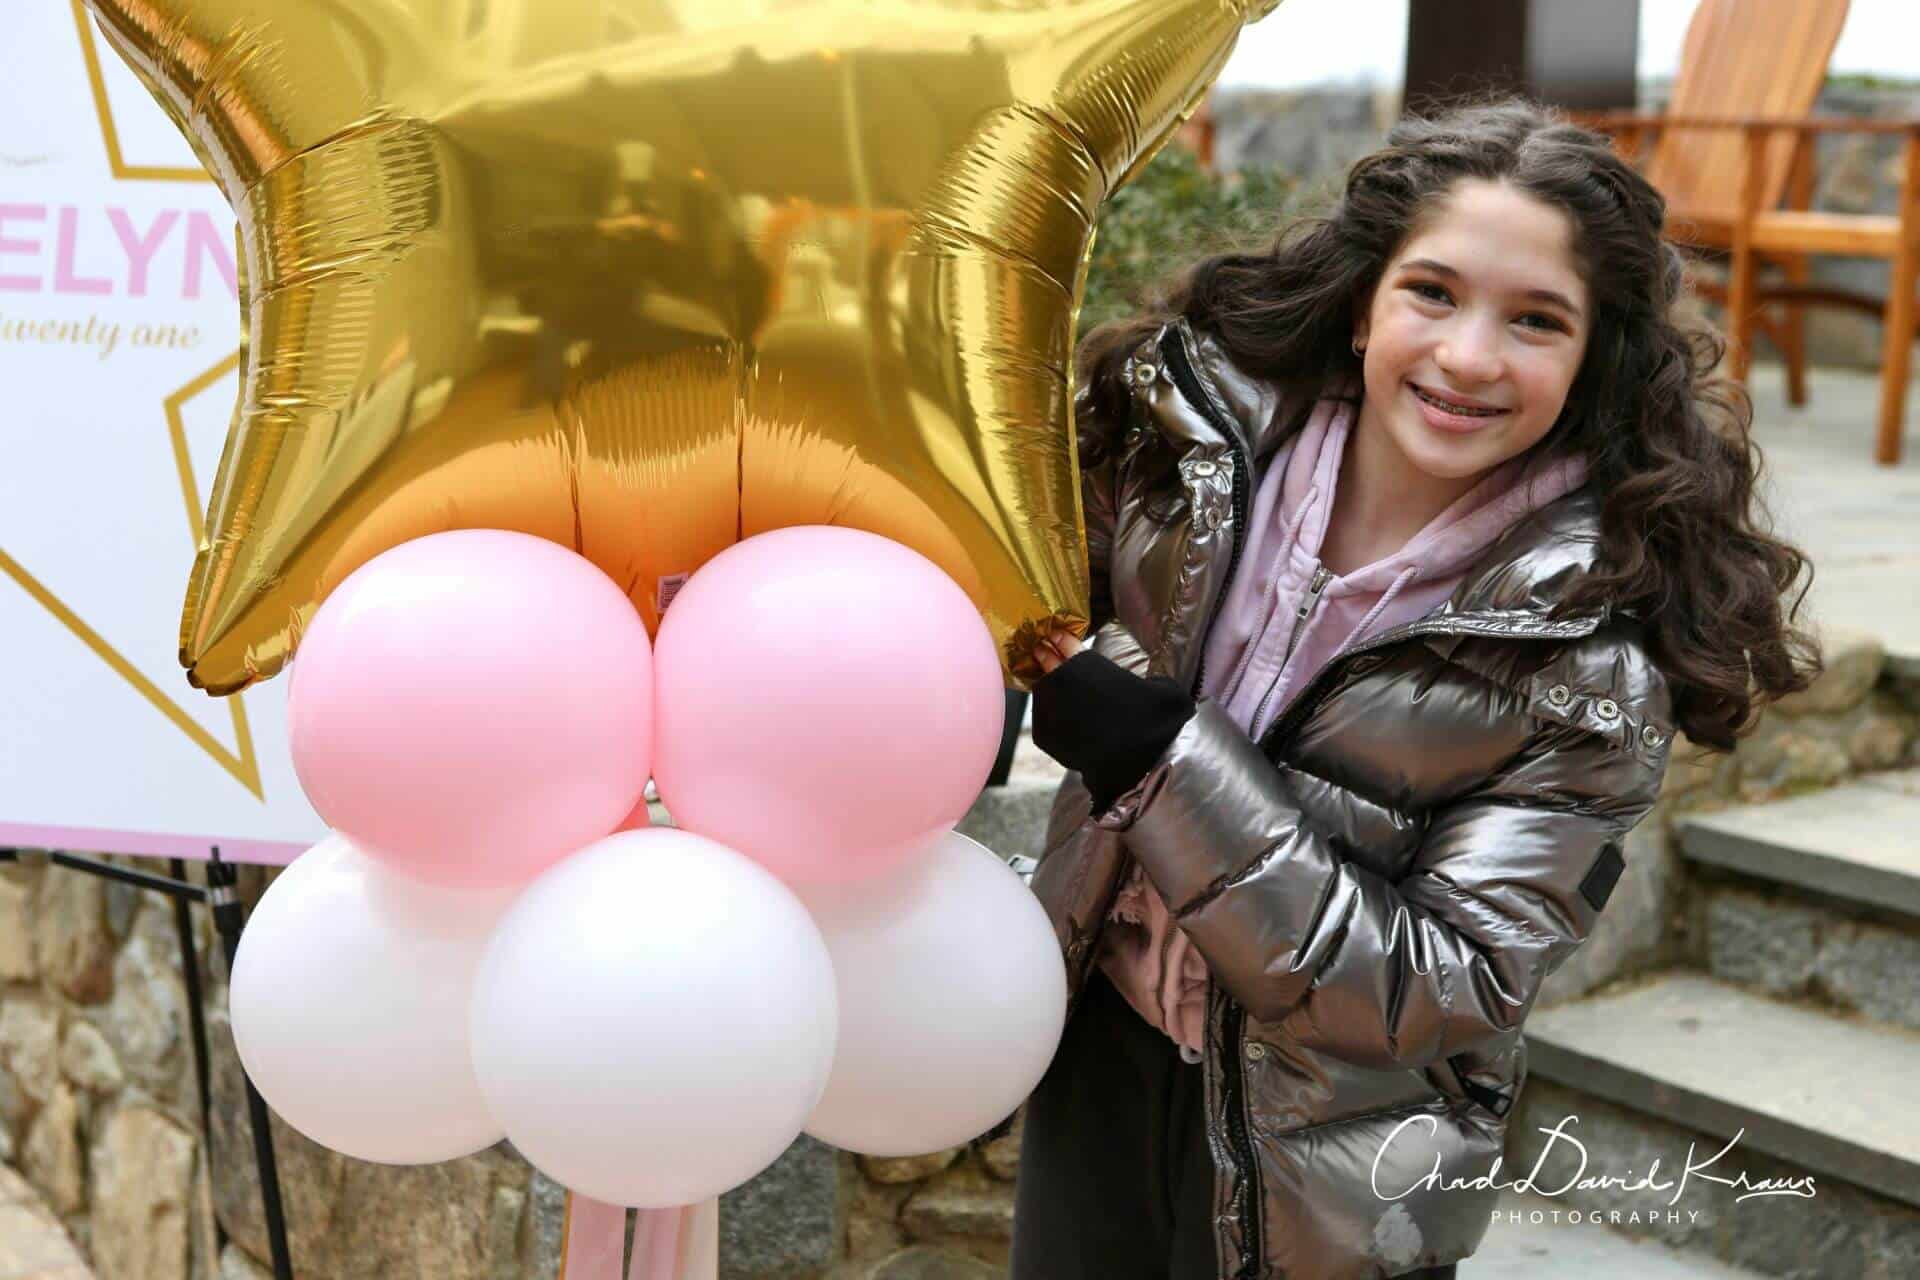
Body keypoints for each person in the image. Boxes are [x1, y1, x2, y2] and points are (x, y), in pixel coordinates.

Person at [1006, 97, 1822, 1280]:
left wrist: (1162, 763)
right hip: (1099, 1060)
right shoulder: (1188, 456)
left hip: (1336, 1174)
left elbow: (1446, 984)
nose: (1469, 355)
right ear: (1361, 304)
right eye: (1432, 292)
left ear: (1594, 357)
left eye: (1536, 319)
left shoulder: (1589, 655)